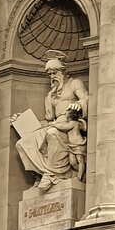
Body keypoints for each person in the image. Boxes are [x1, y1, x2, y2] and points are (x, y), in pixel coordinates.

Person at [14, 57, 89, 191]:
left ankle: (53, 174)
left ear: (63, 71)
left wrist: (79, 104)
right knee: (22, 143)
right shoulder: (50, 95)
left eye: (54, 73)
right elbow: (49, 119)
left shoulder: (74, 83)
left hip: (70, 123)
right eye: (49, 74)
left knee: (52, 133)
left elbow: (86, 98)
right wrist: (23, 120)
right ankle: (41, 173)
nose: (52, 77)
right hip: (55, 124)